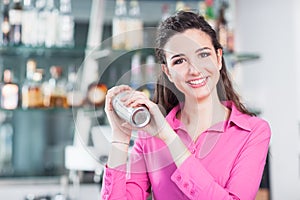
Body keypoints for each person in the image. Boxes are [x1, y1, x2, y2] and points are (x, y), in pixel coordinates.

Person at [101, 11, 271, 200]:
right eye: (179, 61)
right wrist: (120, 138)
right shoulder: (149, 136)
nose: (194, 70)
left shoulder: (253, 132)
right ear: (168, 72)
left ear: (218, 57)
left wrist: (169, 137)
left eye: (203, 54)